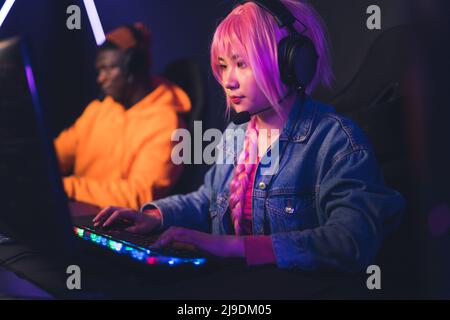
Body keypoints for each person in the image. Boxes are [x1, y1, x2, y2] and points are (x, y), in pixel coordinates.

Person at [93, 1, 405, 272]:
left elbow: (351, 240)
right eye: (223, 66)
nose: (228, 80)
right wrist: (153, 216)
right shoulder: (236, 135)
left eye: (242, 64)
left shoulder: (336, 142)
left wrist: (234, 247)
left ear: (292, 63)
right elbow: (207, 200)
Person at [55, 23, 191, 210]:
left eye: (108, 69)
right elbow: (57, 154)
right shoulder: (100, 109)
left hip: (119, 225)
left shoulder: (167, 124)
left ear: (133, 68)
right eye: (99, 70)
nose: (100, 78)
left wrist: (67, 187)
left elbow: (139, 195)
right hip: (79, 213)